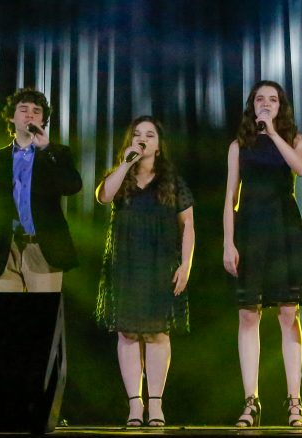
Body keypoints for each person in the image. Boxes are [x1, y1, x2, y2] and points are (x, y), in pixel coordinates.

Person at [222, 80, 302, 427]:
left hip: (284, 228)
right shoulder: (239, 145)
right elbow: (230, 196)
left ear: (281, 106)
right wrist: (228, 242)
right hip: (249, 229)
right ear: (251, 106)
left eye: (272, 100)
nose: (266, 104)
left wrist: (273, 133)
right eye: (260, 99)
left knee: (289, 313)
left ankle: (295, 401)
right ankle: (251, 401)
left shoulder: (295, 140)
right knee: (249, 315)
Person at [95, 116, 195, 427]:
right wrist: (125, 165)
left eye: (150, 135)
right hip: (125, 263)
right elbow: (103, 196)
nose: (143, 139)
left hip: (159, 264)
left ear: (159, 145)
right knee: (128, 333)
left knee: (156, 333)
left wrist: (186, 264)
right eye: (137, 134)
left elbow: (188, 225)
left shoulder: (173, 181)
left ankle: (156, 406)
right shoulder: (120, 176)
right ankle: (135, 407)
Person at [0, 88, 81, 292]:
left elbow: (72, 186)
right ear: (11, 117)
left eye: (36, 110)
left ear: (43, 120)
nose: (30, 114)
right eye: (23, 109)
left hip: (42, 248)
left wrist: (47, 150)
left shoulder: (58, 153)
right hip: (3, 248)